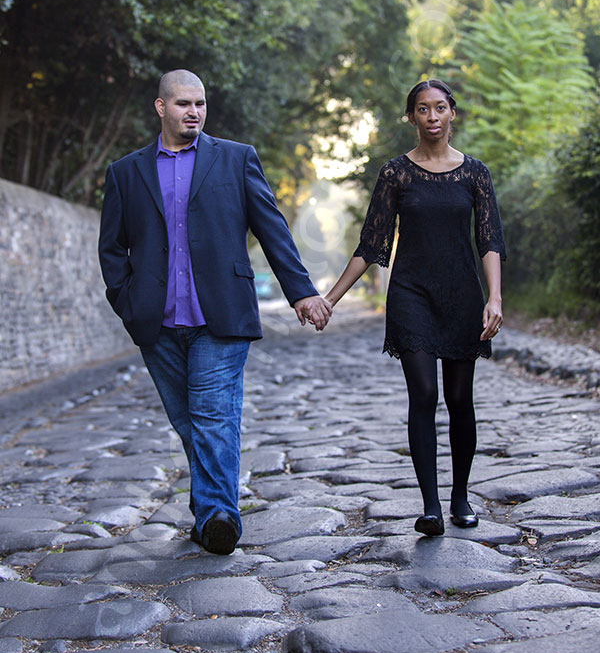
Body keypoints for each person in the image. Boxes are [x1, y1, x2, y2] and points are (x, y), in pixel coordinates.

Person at [98, 69, 331, 555]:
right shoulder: (126, 172)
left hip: (220, 316)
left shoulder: (236, 159)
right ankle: (209, 514)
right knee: (190, 423)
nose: (194, 112)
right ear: (161, 108)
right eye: (183, 104)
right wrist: (127, 302)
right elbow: (112, 249)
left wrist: (302, 292)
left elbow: (272, 229)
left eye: (200, 104)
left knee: (213, 417)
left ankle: (221, 517)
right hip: (156, 323)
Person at [325, 79, 505, 536]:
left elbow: (489, 240)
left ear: (452, 113)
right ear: (411, 117)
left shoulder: (475, 174)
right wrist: (330, 298)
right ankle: (430, 507)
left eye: (440, 108)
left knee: (460, 399)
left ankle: (460, 495)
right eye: (422, 109)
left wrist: (495, 297)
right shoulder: (396, 174)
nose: (432, 116)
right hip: (411, 294)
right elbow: (372, 245)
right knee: (424, 395)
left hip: (462, 294)